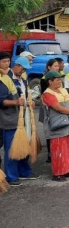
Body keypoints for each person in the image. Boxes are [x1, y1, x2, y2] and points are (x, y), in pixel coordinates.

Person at [0, 57, 39, 186]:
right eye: (22, 68)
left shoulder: (23, 79)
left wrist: (30, 101)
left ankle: (24, 171)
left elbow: (26, 95)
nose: (23, 71)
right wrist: (16, 102)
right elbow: (2, 101)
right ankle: (11, 175)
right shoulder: (5, 79)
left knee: (24, 145)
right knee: (12, 148)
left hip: (25, 118)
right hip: (11, 119)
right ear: (16, 66)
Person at [42, 71, 69, 182]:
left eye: (60, 79)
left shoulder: (63, 90)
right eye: (57, 79)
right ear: (50, 81)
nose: (60, 81)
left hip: (67, 123)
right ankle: (58, 173)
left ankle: (67, 169)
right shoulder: (47, 94)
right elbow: (57, 108)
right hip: (57, 124)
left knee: (68, 147)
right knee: (58, 148)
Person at [39, 58, 60, 163]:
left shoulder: (59, 77)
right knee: (50, 130)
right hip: (49, 108)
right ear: (49, 67)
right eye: (55, 66)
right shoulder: (44, 79)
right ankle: (50, 154)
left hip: (59, 106)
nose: (58, 68)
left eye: (58, 66)